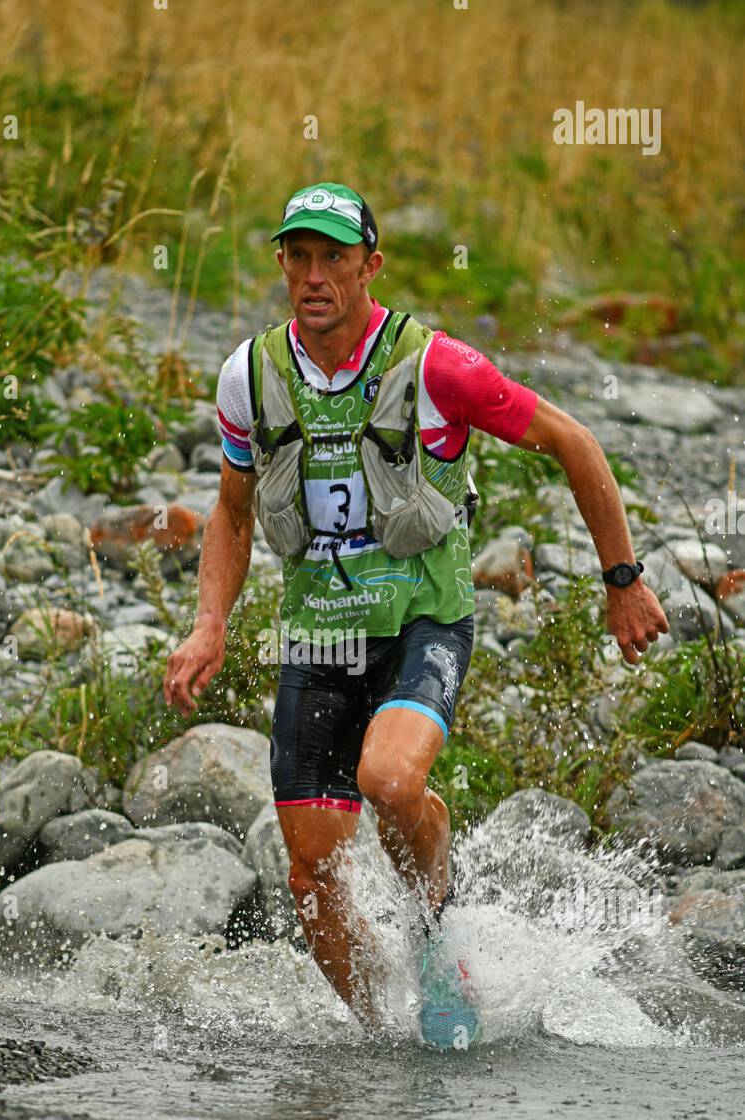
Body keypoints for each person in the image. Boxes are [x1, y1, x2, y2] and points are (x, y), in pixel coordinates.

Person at [163, 181, 669, 1037]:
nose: (315, 275)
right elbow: (234, 511)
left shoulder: (437, 366)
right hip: (318, 636)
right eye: (300, 257)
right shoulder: (249, 376)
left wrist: (623, 582)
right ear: (282, 264)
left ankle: (438, 930)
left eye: (334, 258)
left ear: (371, 266)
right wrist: (210, 619)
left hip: (422, 624)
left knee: (390, 781)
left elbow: (573, 442)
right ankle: (380, 1039)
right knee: (310, 877)